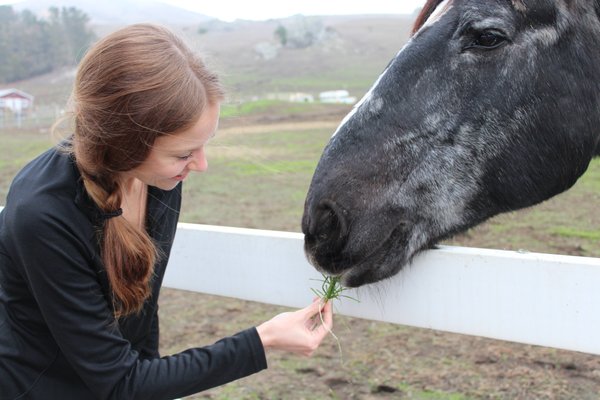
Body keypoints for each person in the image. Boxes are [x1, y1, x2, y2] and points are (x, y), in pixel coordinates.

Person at [0, 23, 333, 399]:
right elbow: (121, 382)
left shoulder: (159, 182)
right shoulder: (43, 215)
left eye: (203, 146)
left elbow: (142, 322)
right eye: (184, 152)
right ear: (125, 143)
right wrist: (262, 340)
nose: (201, 165)